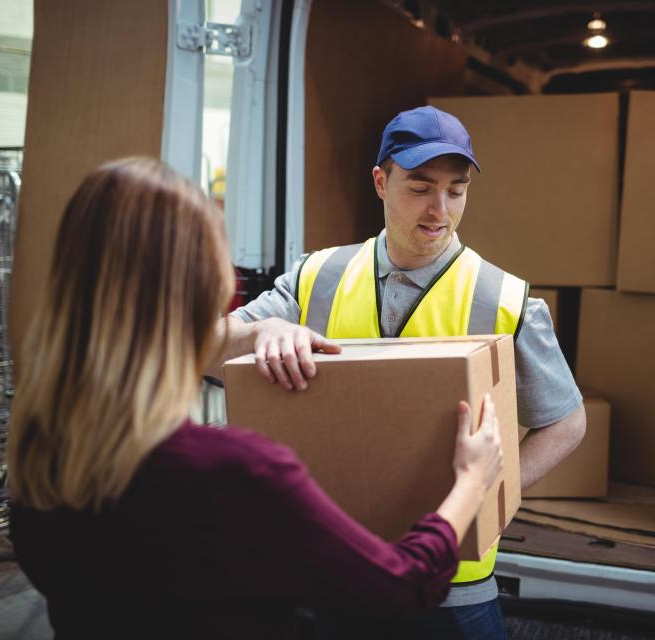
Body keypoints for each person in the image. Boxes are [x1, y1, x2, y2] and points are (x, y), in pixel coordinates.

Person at [6, 157, 504, 640]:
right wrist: (471, 482)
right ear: (208, 291)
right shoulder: (237, 472)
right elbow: (401, 585)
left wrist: (264, 327)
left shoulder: (37, 454)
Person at [214, 105, 587, 638]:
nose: (440, 209)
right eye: (420, 187)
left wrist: (493, 493)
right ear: (380, 182)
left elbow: (567, 422)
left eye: (456, 190)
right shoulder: (317, 276)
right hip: (330, 568)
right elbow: (197, 352)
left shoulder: (504, 298)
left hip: (453, 589)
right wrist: (257, 333)